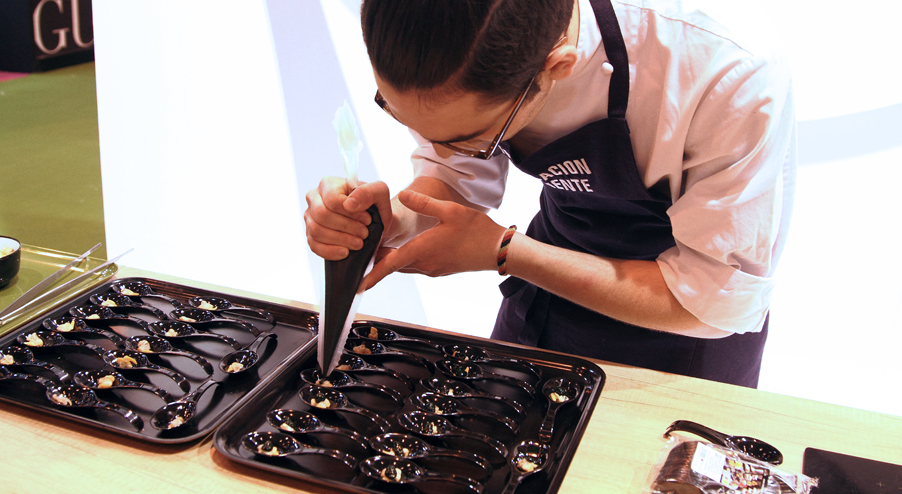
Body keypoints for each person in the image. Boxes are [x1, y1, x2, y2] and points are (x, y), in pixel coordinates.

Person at [304, 0, 795, 388]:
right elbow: (456, 177)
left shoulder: (726, 74)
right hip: (542, 308)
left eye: (466, 137)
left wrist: (506, 251)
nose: (436, 147)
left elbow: (713, 300)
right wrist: (395, 222)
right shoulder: (455, 36)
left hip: (681, 345)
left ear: (556, 67)